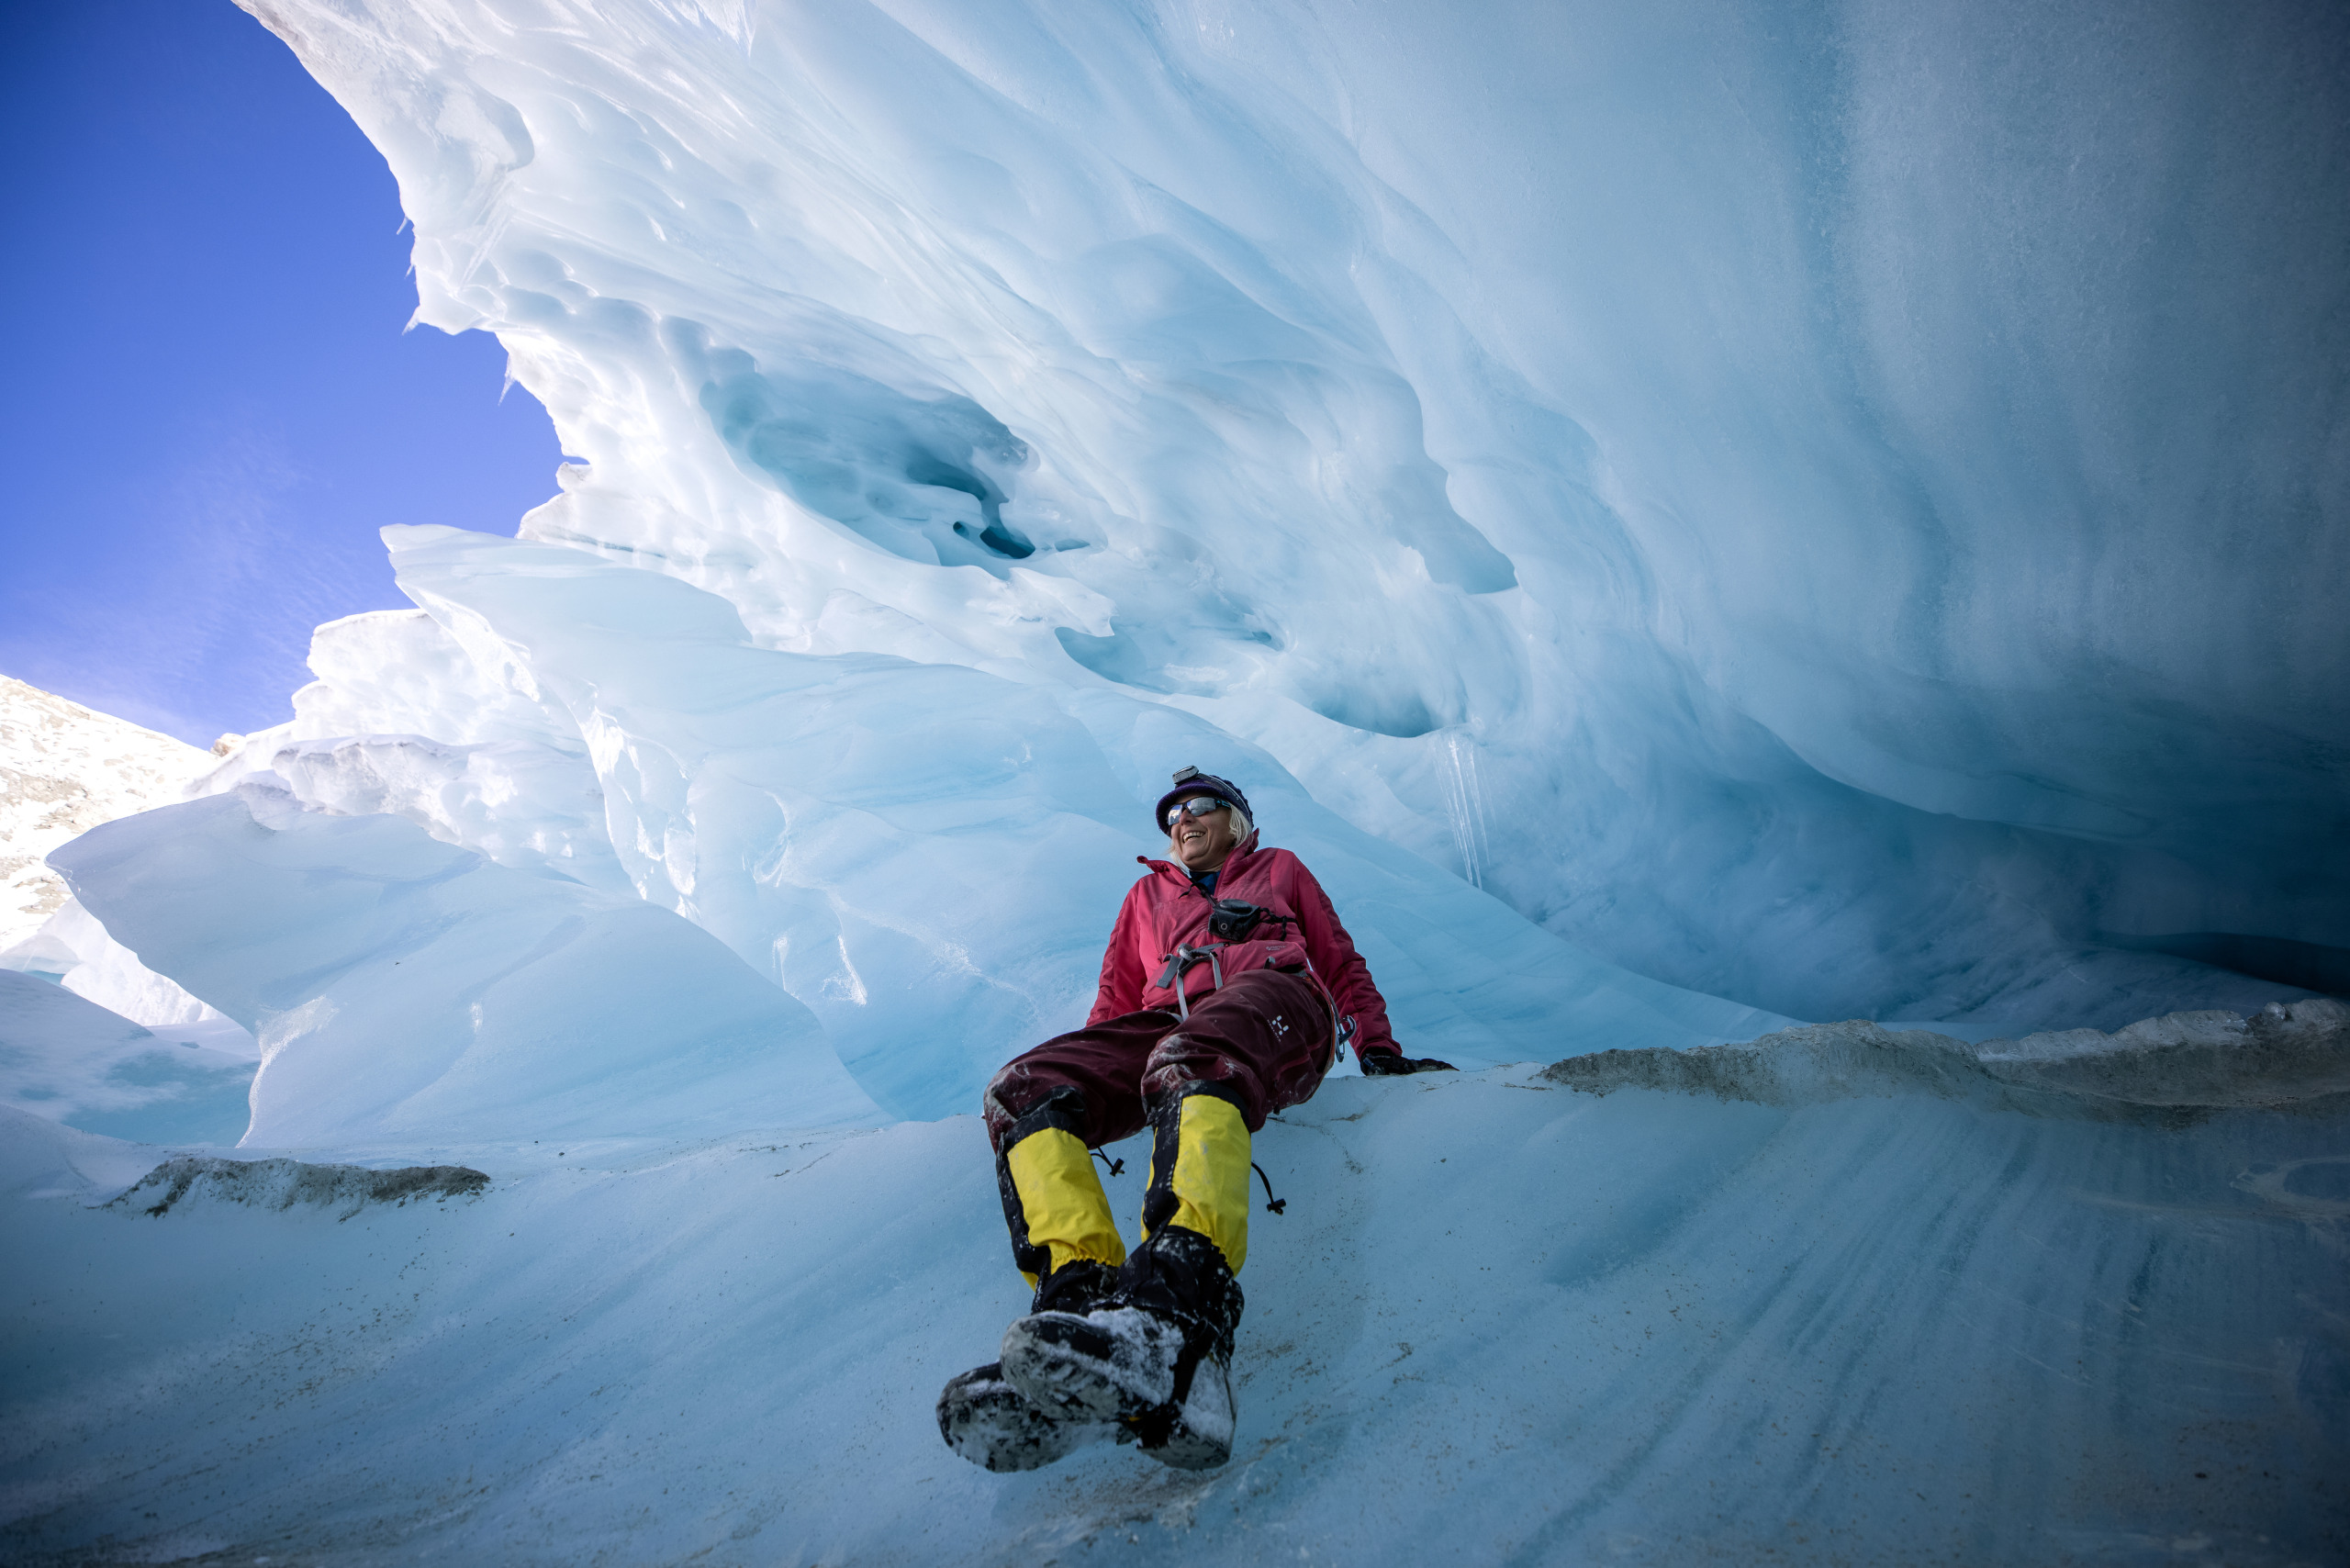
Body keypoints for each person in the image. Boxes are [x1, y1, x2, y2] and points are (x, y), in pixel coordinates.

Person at [938, 766, 1455, 1473]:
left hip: (1276, 1003)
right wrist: (1098, 1080)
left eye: (1203, 806)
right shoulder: (1146, 896)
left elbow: (1339, 960)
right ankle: (1082, 1310)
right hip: (1166, 1019)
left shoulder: (1280, 869)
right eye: (1173, 812)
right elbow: (1115, 1002)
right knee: (1026, 1087)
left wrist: (1378, 1048)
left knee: (1193, 1053)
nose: (1184, 818)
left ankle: (1178, 1316)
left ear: (1237, 821)